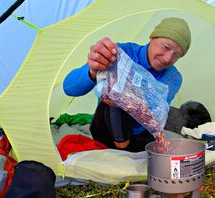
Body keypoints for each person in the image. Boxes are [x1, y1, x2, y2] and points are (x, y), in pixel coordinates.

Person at [63, 17, 191, 152]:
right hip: (106, 128)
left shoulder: (173, 77)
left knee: (131, 99)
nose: (167, 59)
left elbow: (155, 116)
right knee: (114, 94)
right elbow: (69, 88)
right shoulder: (121, 53)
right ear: (152, 37)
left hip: (141, 134)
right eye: (166, 47)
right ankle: (119, 145)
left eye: (176, 55)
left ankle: (126, 149)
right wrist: (93, 71)